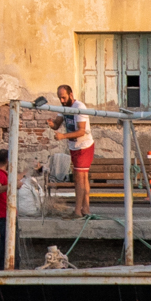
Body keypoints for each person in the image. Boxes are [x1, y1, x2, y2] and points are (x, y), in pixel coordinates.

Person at [57, 83, 94, 217]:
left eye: (64, 98)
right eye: (60, 98)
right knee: (82, 178)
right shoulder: (63, 107)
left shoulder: (79, 107)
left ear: (71, 95)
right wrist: (51, 124)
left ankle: (78, 211)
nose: (62, 101)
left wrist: (63, 136)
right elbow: (57, 124)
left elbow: (81, 131)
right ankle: (86, 209)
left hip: (84, 146)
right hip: (74, 147)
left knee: (79, 179)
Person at [0, 147, 15, 266]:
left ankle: (4, 268)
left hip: (5, 214)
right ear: (7, 160)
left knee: (6, 245)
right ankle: (3, 269)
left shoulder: (0, 173)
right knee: (7, 246)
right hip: (4, 215)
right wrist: (12, 185)